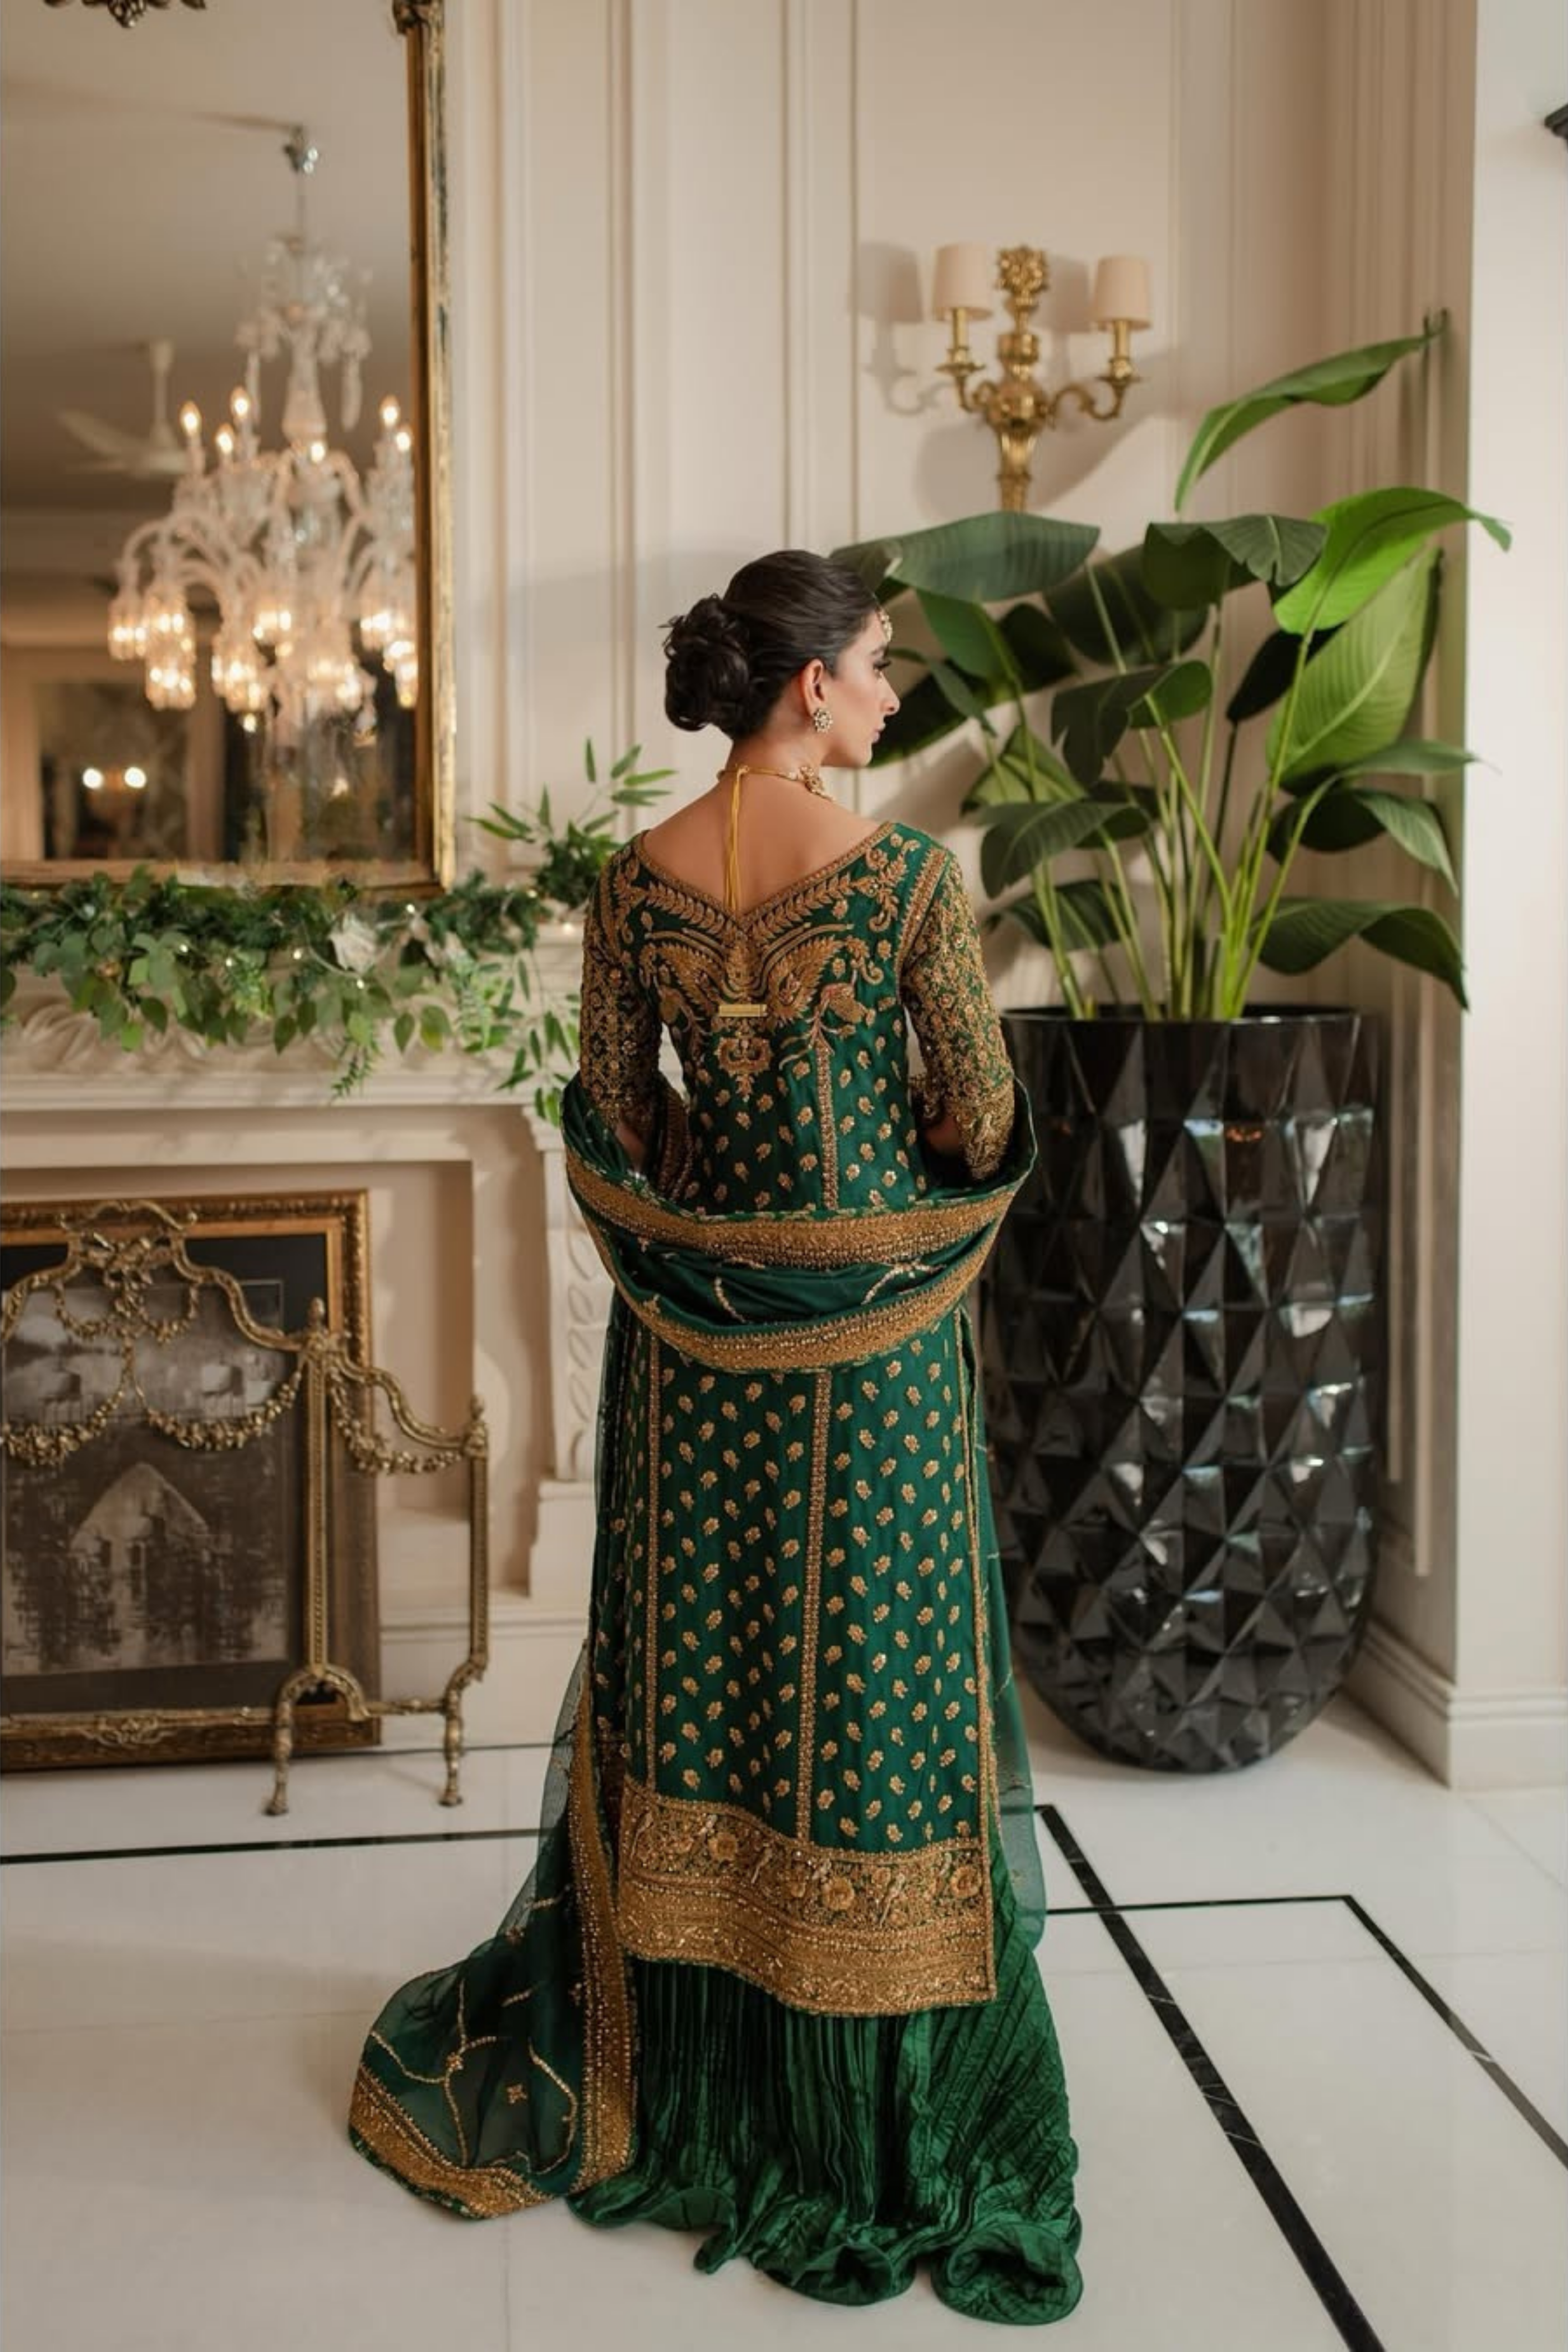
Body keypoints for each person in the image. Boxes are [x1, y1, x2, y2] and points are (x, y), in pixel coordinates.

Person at [348, 549, 1084, 2324]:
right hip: (877, 1368)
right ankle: (874, 2126)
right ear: (811, 683)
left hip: (695, 1365)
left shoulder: (635, 888)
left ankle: (686, 2076)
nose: (898, 689)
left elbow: (611, 1121)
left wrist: (724, 1205)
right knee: (877, 1692)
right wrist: (885, 1167)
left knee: (713, 1680)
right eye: (882, 664)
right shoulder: (906, 879)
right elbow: (983, 1115)